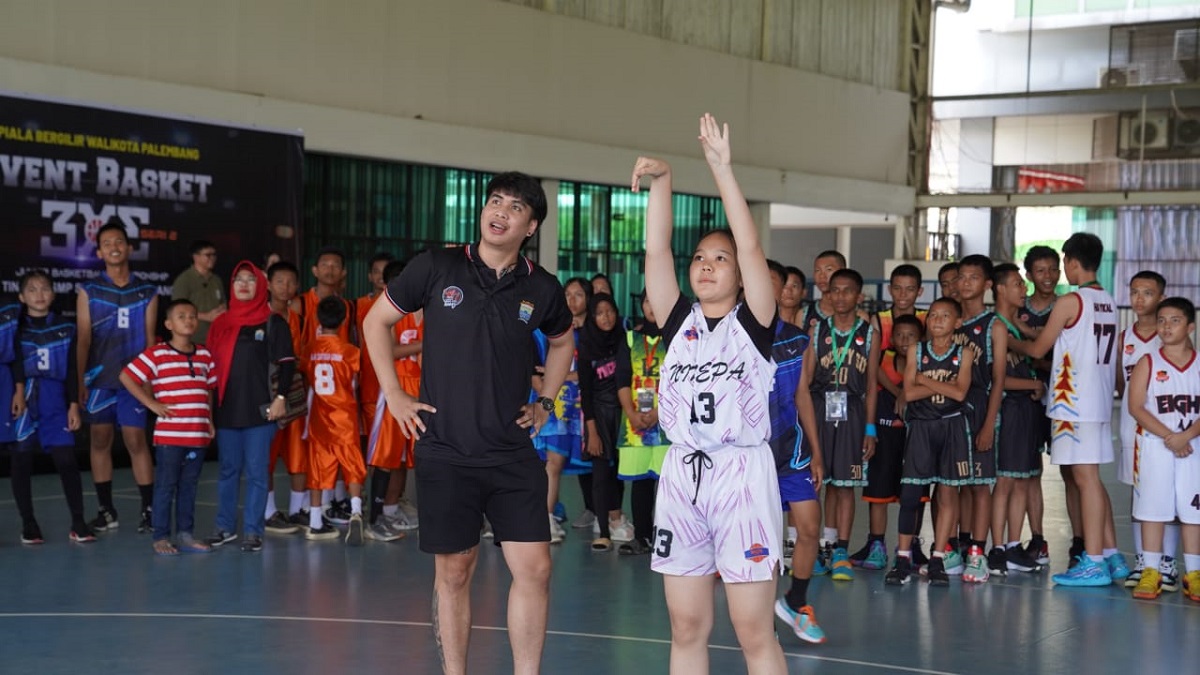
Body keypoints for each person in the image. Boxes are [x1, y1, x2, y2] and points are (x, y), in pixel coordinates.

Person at [363, 171, 574, 675]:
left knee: (536, 570)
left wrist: (546, 399)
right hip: (445, 449)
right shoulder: (437, 266)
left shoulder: (541, 287)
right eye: (495, 201)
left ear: (532, 224)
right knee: (455, 573)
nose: (500, 212)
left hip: (511, 451)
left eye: (515, 207)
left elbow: (564, 342)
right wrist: (394, 393)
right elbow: (376, 322)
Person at [632, 115, 787, 674]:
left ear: (742, 277)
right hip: (682, 476)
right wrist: (663, 181)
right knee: (686, 627)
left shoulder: (756, 322)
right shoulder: (679, 324)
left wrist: (722, 169)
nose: (707, 264)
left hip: (742, 477)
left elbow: (748, 244)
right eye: (700, 257)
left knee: (753, 631)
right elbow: (656, 256)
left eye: (719, 259)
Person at [1009, 233, 1128, 586]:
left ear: (1072, 261)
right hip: (1098, 400)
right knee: (1091, 479)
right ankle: (1110, 553)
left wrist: (1006, 336)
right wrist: (1023, 327)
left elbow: (1037, 349)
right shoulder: (1106, 299)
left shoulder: (1071, 301)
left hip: (1073, 404)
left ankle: (1092, 560)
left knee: (1085, 479)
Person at [204, 261, 296, 554]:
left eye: (250, 280)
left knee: (257, 472)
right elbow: (209, 370)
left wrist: (281, 398)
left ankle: (254, 531)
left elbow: (287, 364)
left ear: (260, 285)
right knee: (228, 471)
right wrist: (207, 412)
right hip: (226, 410)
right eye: (238, 279)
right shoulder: (220, 323)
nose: (243, 284)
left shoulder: (272, 321)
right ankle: (225, 528)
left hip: (260, 411)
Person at [884, 297, 973, 586]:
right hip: (921, 428)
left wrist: (923, 379)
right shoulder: (916, 350)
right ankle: (902, 558)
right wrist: (942, 385)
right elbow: (907, 393)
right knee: (910, 495)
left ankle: (937, 559)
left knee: (947, 495)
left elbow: (960, 394)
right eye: (933, 315)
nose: (937, 320)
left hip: (951, 427)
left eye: (945, 316)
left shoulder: (965, 353)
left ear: (957, 323)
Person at [798, 268, 878, 583]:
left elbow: (872, 385)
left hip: (853, 411)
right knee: (815, 481)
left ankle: (841, 550)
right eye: (835, 290)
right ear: (827, 295)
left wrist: (870, 428)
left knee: (845, 486)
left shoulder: (869, 332)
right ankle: (817, 547)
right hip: (820, 408)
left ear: (859, 296)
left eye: (848, 291)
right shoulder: (816, 330)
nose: (841, 296)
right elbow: (804, 382)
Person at [77, 222, 159, 533]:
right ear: (99, 252)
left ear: (129, 248)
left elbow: (151, 340)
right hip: (99, 377)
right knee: (99, 439)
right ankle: (106, 510)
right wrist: (80, 380)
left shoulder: (146, 292)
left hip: (135, 380)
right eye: (107, 242)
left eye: (120, 241)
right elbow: (83, 339)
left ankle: (149, 510)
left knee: (135, 439)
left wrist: (151, 382)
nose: (114, 246)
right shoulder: (89, 290)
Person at [120, 299, 217, 555]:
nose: (188, 320)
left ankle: (186, 534)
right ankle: (160, 536)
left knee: (189, 486)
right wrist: (150, 403)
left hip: (197, 435)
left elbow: (208, 390)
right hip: (170, 437)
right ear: (169, 324)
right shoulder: (158, 353)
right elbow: (127, 376)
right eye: (181, 316)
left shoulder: (205, 354)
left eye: (193, 316)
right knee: (165, 486)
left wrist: (209, 420)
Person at [850, 264, 927, 569]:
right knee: (879, 482)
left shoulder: (926, 318)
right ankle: (876, 543)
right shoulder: (878, 320)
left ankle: (912, 545)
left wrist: (910, 394)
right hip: (885, 407)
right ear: (890, 289)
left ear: (919, 291)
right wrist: (898, 395)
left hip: (920, 411)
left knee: (917, 485)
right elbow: (874, 366)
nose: (903, 295)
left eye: (910, 289)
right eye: (897, 288)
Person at [766, 259, 826, 645]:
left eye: (773, 281)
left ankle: (796, 601)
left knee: (808, 526)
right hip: (751, 457)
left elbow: (803, 394)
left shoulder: (796, 339)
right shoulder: (730, 334)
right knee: (766, 545)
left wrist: (817, 452)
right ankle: (759, 618)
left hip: (792, 452)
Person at [1126, 297, 1200, 601]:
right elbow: (1135, 406)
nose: (1166, 326)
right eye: (1161, 320)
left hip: (1193, 446)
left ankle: (1193, 573)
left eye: (1175, 320)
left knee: (1193, 512)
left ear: (1191, 326)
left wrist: (1187, 436)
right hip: (1156, 445)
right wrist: (1172, 436)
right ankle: (1151, 572)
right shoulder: (1147, 361)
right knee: (1152, 510)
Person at [11, 271, 91, 544]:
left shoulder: (66, 328)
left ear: (53, 294)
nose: (39, 294)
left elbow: (71, 370)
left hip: (55, 399)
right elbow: (12, 364)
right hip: (22, 397)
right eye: (32, 290)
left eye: (45, 288)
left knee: (66, 459)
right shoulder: (15, 329)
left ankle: (78, 521)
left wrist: (73, 405)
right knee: (21, 459)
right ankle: (29, 523)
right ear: (21, 297)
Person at [1116, 270, 1177, 591]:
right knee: (1138, 494)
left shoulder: (1170, 337)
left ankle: (1167, 561)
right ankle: (1144, 561)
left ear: (1162, 298)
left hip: (1168, 427)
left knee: (1169, 493)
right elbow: (1119, 382)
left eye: (1148, 293)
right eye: (1134, 292)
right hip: (1132, 428)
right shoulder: (1125, 337)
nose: (1139, 299)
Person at [987, 263, 1047, 577]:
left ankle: (1013, 546)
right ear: (999, 289)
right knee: (1006, 481)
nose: (1023, 289)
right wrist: (1034, 385)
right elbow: (997, 380)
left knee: (1023, 480)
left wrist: (1035, 385)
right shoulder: (995, 326)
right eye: (1016, 284)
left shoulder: (1015, 326)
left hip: (1025, 412)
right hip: (1006, 411)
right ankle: (997, 548)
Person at [952, 254, 1003, 583]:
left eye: (973, 277)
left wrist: (988, 424)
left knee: (979, 485)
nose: (965, 283)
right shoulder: (948, 319)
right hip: (950, 413)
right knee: (956, 485)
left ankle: (977, 553)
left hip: (980, 409)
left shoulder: (993, 325)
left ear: (987, 285)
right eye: (961, 277)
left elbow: (998, 379)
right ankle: (959, 544)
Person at [364, 258, 423, 541]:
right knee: (387, 456)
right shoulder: (386, 313)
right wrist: (424, 344)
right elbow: (389, 351)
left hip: (421, 389)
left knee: (406, 458)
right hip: (394, 389)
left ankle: (390, 511)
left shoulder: (426, 309)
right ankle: (374, 520)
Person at [302, 297, 368, 546]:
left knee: (318, 468)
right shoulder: (350, 351)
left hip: (320, 417)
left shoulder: (309, 348)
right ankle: (356, 510)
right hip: (345, 418)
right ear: (343, 321)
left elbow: (307, 375)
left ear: (318, 319)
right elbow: (356, 383)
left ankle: (315, 522)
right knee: (352, 465)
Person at [533, 277, 594, 542]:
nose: (572, 300)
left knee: (578, 462)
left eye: (578, 294)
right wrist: (545, 391)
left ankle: (598, 516)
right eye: (567, 294)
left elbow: (594, 371)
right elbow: (532, 368)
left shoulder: (593, 331)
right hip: (552, 406)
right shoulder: (545, 329)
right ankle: (545, 519)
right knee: (552, 463)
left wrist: (559, 376)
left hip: (581, 406)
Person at [578, 292, 635, 551]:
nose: (606, 317)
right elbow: (586, 393)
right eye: (599, 313)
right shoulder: (587, 347)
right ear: (592, 316)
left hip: (623, 414)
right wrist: (592, 431)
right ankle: (602, 531)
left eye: (609, 311)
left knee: (618, 472)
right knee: (601, 473)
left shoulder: (625, 340)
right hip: (599, 415)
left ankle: (615, 517)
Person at [1017, 245, 1061, 566]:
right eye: (1040, 271)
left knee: (1074, 473)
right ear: (1029, 275)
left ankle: (1083, 544)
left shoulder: (1067, 308)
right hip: (1026, 400)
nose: (1048, 276)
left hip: (1063, 397)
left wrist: (1040, 361)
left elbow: (1059, 357)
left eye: (1053, 269)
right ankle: (1037, 539)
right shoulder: (1018, 308)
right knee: (1031, 472)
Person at [615, 291, 668, 555]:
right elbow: (622, 379)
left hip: (669, 422)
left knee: (670, 483)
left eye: (656, 300)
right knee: (640, 481)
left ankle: (670, 538)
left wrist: (660, 411)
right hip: (634, 422)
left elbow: (683, 380)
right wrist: (632, 413)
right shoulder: (629, 338)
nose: (652, 306)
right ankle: (643, 536)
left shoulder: (678, 338)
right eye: (648, 301)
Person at [263, 261, 306, 534]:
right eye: (279, 281)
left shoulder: (297, 317)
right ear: (268, 284)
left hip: (296, 392)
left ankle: (296, 509)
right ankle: (268, 512)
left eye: (291, 282)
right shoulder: (259, 317)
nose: (285, 287)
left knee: (299, 452)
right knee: (266, 453)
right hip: (269, 392)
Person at [171, 239, 226, 343]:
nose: (212, 258)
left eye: (214, 255)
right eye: (208, 255)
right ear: (195, 257)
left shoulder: (216, 280)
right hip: (192, 339)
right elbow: (177, 310)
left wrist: (222, 310)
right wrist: (207, 316)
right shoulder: (184, 279)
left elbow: (223, 303)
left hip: (216, 338)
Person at [800, 250, 846, 333]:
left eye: (828, 269)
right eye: (817, 270)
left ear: (842, 271)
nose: (822, 276)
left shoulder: (858, 315)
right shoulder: (804, 314)